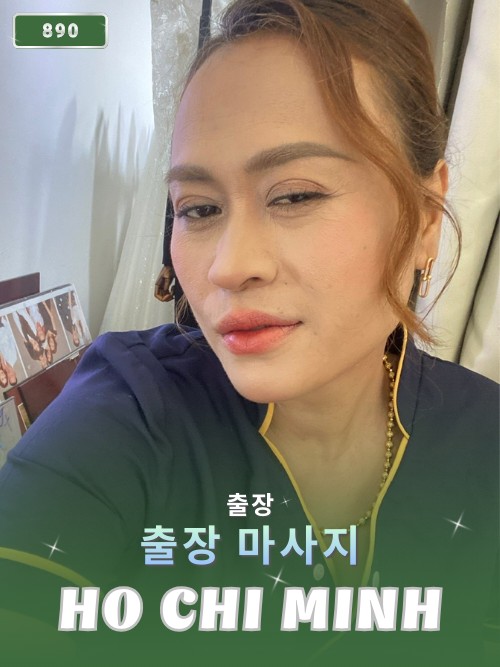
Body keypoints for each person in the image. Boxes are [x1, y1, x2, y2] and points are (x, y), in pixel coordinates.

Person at [0, 1, 497, 666]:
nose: (228, 267)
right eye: (199, 208)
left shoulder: (486, 439)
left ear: (427, 216)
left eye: (295, 195)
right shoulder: (129, 410)